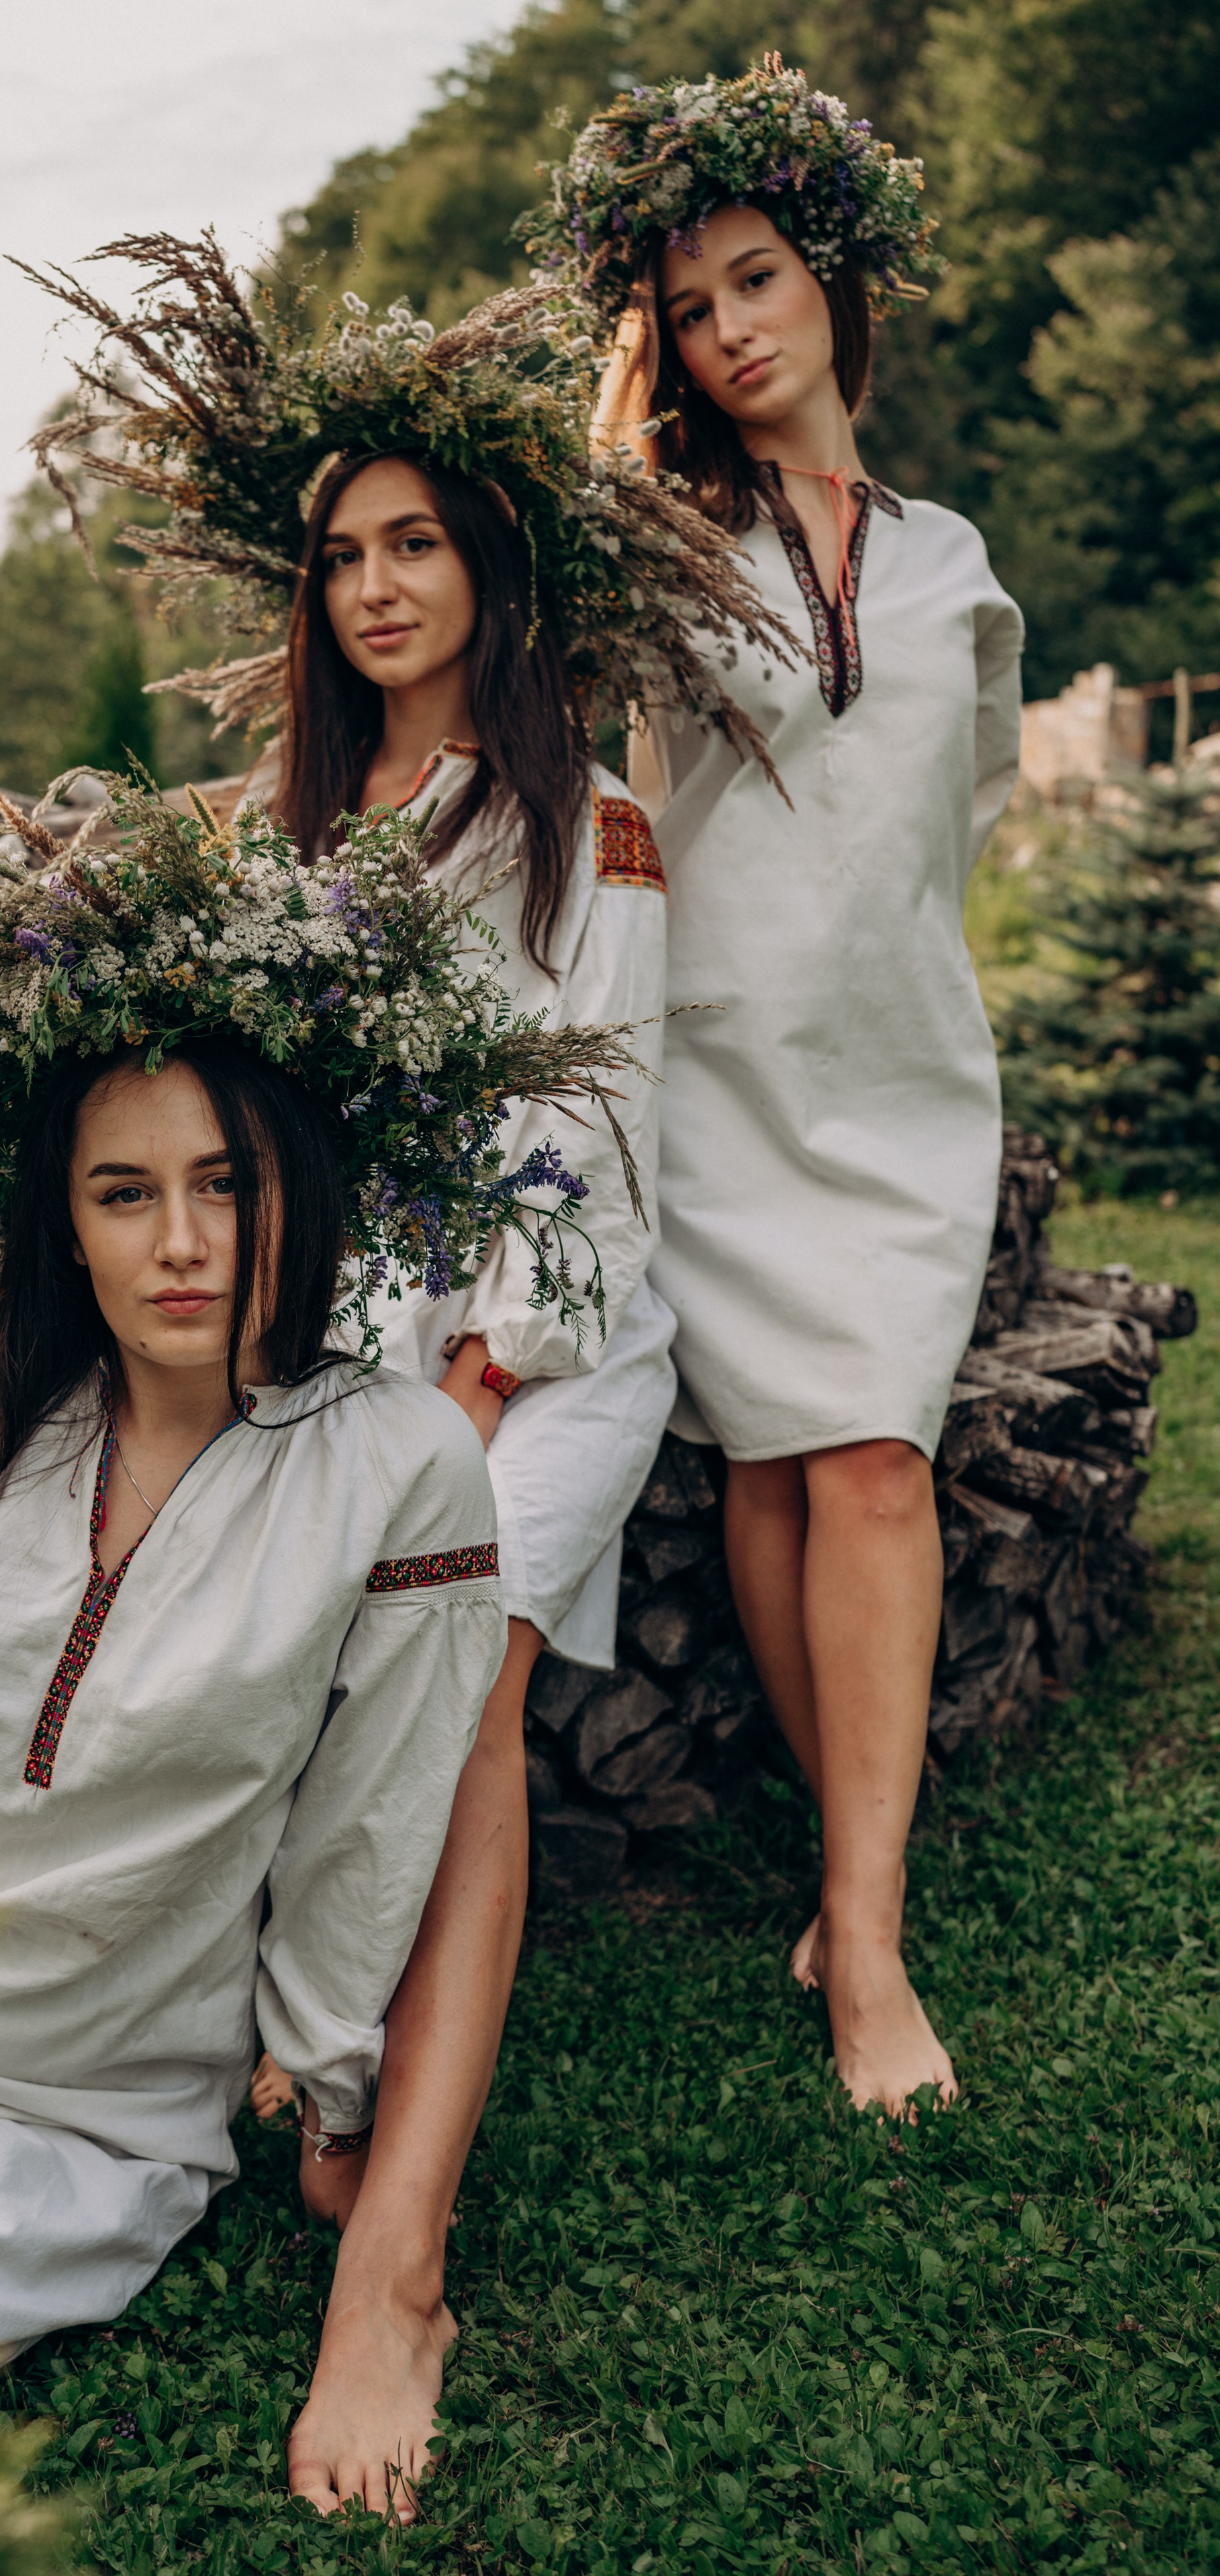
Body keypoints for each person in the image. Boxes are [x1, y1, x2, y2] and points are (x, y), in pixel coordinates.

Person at [24, 237, 788, 2514]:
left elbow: (592, 1163)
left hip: (540, 1353)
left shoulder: (588, 833)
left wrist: (457, 1394)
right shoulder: (279, 851)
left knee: (447, 1659)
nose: (375, 584)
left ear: (484, 565)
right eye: (341, 553)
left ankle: (404, 2251)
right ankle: (249, 2047)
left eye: (414, 541)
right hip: (334, 1344)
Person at [0, 773, 637, 2426]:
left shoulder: (397, 1465)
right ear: (64, 1219)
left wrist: (338, 2103)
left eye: (227, 1184)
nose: (182, 1242)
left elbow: (369, 1828)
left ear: (303, 1190)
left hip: (76, 2118)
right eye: (125, 1193)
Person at [532, 58, 1024, 2119]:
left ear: (837, 283)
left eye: (761, 281)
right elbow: (558, 660)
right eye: (695, 307)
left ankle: (862, 1907)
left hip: (905, 1073)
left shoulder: (950, 559)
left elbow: (966, 797)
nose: (737, 329)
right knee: (775, 1466)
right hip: (715, 1065)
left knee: (877, 1458)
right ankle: (865, 1909)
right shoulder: (654, 541)